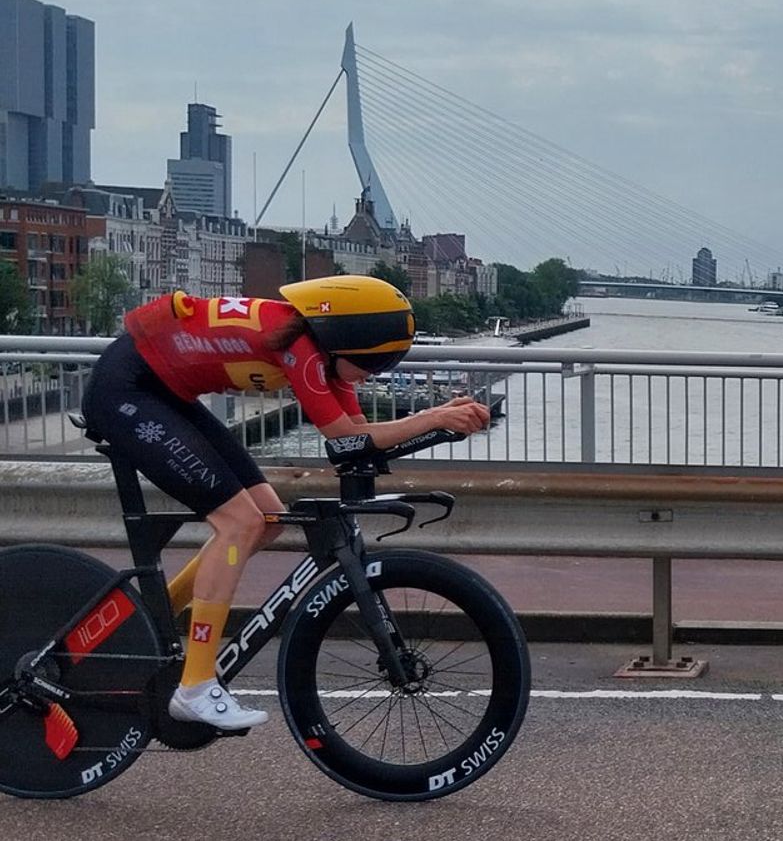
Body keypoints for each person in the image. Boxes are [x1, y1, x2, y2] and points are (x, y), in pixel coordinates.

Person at [81, 275, 492, 730]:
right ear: (345, 341)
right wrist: (432, 417)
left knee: (267, 519)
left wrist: (439, 419)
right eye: (373, 362)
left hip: (163, 392)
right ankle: (194, 686)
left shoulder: (324, 354)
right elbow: (344, 435)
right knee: (239, 523)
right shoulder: (302, 352)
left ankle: (149, 619)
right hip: (127, 391)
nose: (376, 373)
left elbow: (358, 439)